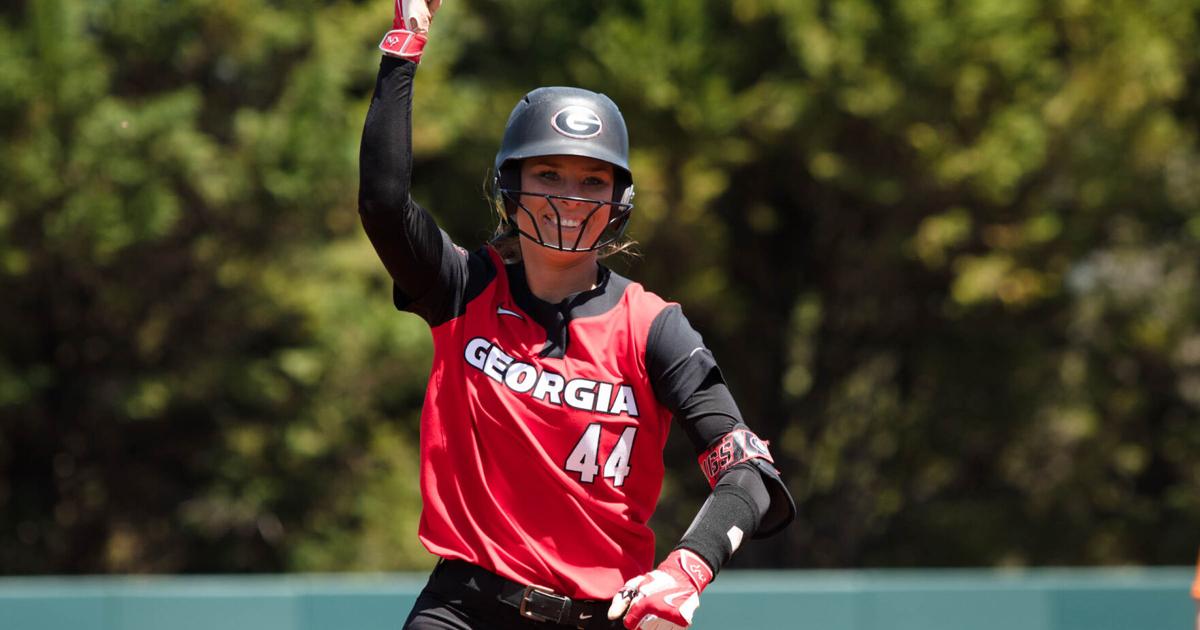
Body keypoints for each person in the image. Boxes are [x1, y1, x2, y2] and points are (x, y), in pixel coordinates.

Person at [358, 2, 795, 628]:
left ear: (618, 199)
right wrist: (404, 48)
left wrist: (687, 569)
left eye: (592, 181)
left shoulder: (653, 327)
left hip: (600, 616)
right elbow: (382, 201)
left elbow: (749, 472)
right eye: (548, 173)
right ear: (511, 184)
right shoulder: (462, 287)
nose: (568, 196)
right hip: (465, 607)